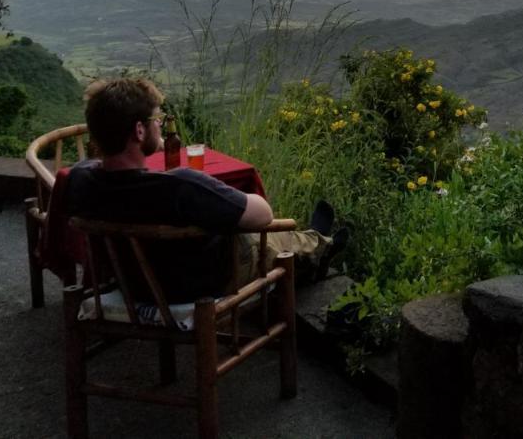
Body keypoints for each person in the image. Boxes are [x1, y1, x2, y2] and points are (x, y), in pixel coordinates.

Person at [65, 76, 341, 303]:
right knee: (272, 240)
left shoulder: (79, 179)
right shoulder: (178, 186)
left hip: (131, 285)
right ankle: (320, 243)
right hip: (198, 286)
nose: (160, 124)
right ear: (139, 131)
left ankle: (316, 241)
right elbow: (262, 214)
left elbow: (99, 166)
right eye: (155, 120)